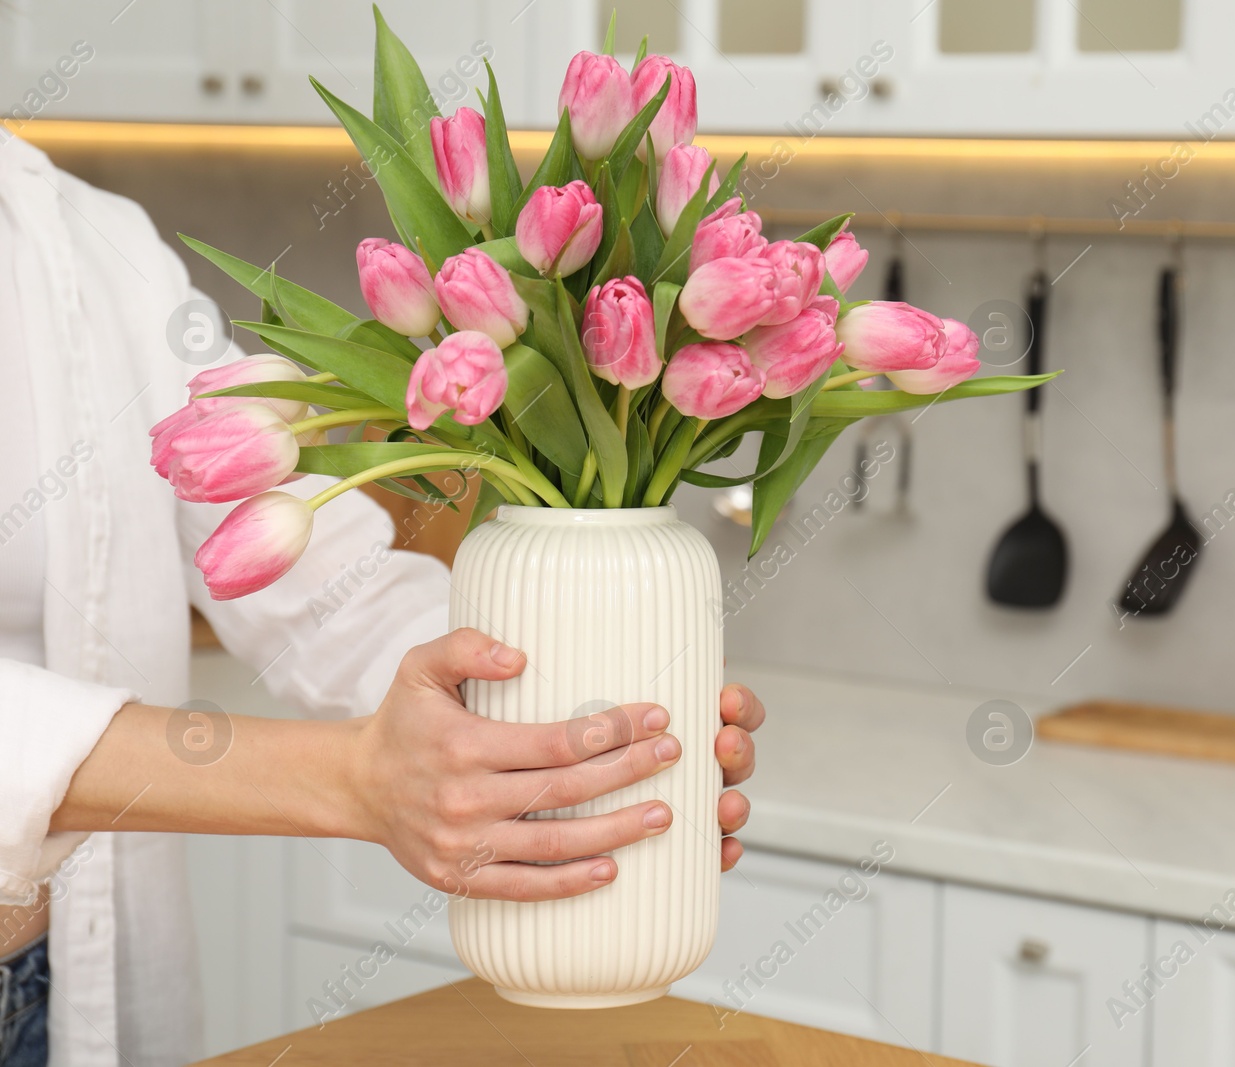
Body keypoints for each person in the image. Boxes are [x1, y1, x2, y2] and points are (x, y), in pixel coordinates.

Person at [0, 135, 764, 1067]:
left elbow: (330, 599)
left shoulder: (84, 238)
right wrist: (356, 778)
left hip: (49, 989)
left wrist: (550, 722)